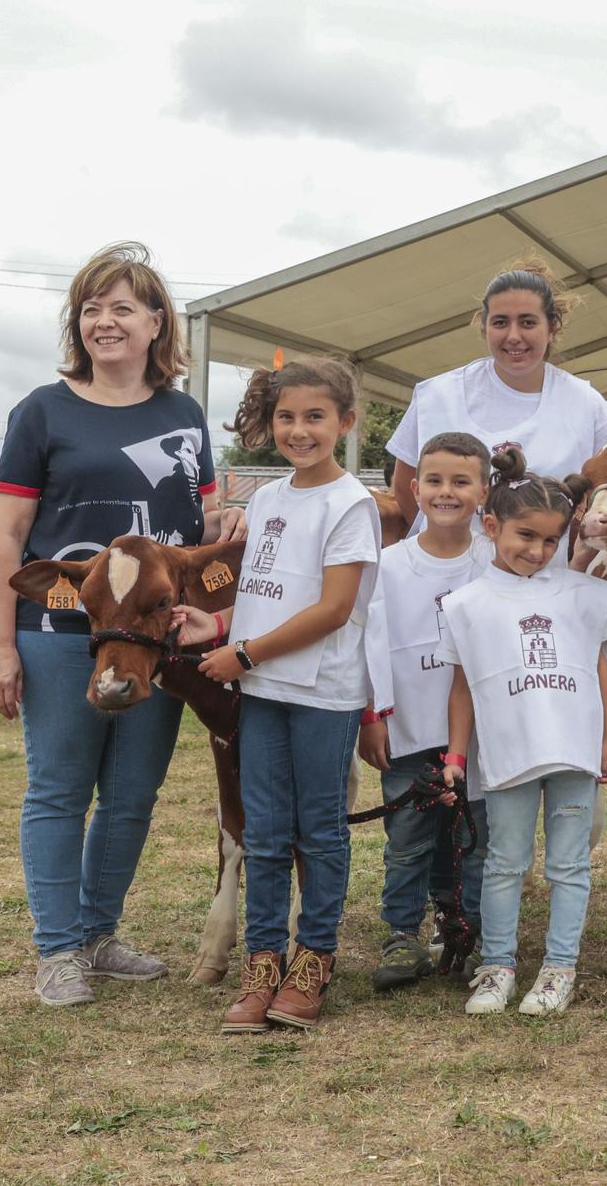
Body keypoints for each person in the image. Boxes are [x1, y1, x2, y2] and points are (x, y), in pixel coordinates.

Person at [0, 242, 243, 1008]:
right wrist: (1, 641)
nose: (105, 320)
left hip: (158, 639)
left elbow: (197, 516)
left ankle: (99, 931)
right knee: (60, 789)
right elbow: (7, 535)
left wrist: (221, 514)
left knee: (133, 793)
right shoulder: (42, 410)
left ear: (157, 322)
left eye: (122, 306)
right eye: (91, 308)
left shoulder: (184, 412)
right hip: (60, 630)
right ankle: (58, 949)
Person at [190, 358, 381, 1033]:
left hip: (322, 693)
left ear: (346, 423)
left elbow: (332, 609)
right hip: (263, 689)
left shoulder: (351, 504)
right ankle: (263, 962)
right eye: (286, 417)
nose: (299, 430)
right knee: (265, 832)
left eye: (315, 417)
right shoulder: (266, 501)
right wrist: (214, 627)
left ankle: (314, 959)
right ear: (271, 425)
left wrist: (241, 654)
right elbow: (263, 597)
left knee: (319, 831)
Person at [437, 447, 607, 1017]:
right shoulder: (465, 604)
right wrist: (456, 754)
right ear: (490, 526)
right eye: (525, 537)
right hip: (509, 754)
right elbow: (463, 686)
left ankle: (559, 968)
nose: (538, 552)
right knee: (504, 862)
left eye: (550, 541)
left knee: (569, 863)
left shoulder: (584, 593)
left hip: (573, 751)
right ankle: (497, 967)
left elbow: (599, 666)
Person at [359, 431, 494, 992]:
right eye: (434, 481)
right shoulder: (386, 565)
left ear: (484, 491)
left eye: (461, 482)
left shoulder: (497, 561)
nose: (446, 492)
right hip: (409, 727)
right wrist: (372, 716)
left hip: (483, 734)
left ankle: (465, 927)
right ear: (414, 489)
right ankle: (400, 934)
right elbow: (367, 643)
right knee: (408, 835)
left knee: (472, 836)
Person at [385, 258, 607, 535]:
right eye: (500, 322)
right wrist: (449, 550)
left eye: (528, 322)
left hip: (550, 575)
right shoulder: (435, 396)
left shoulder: (587, 404)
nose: (513, 336)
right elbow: (404, 487)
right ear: (484, 327)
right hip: (451, 576)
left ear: (552, 327)